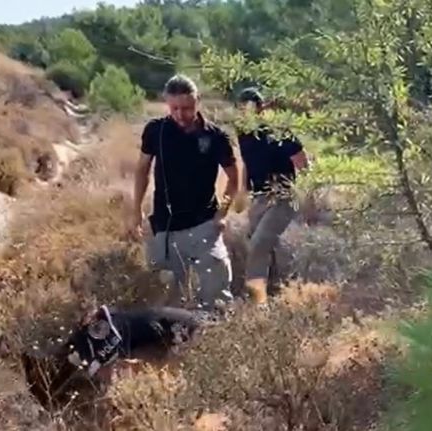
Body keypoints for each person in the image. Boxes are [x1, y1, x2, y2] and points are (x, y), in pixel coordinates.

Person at [129, 74, 240, 311]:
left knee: (216, 296)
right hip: (165, 226)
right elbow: (142, 170)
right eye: (174, 108)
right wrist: (136, 210)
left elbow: (234, 179)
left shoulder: (216, 137)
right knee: (164, 298)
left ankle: (214, 331)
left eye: (187, 108)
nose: (180, 115)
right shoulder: (156, 131)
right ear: (167, 104)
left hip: (204, 226)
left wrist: (222, 213)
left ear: (198, 101)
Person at [235, 87, 311, 305]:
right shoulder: (243, 133)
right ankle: (277, 292)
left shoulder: (279, 131)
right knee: (264, 247)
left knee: (259, 244)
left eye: (251, 108)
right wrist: (243, 191)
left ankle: (257, 301)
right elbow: (247, 162)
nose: (246, 113)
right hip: (259, 197)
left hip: (282, 196)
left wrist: (307, 196)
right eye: (242, 109)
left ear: (261, 108)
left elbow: (303, 162)